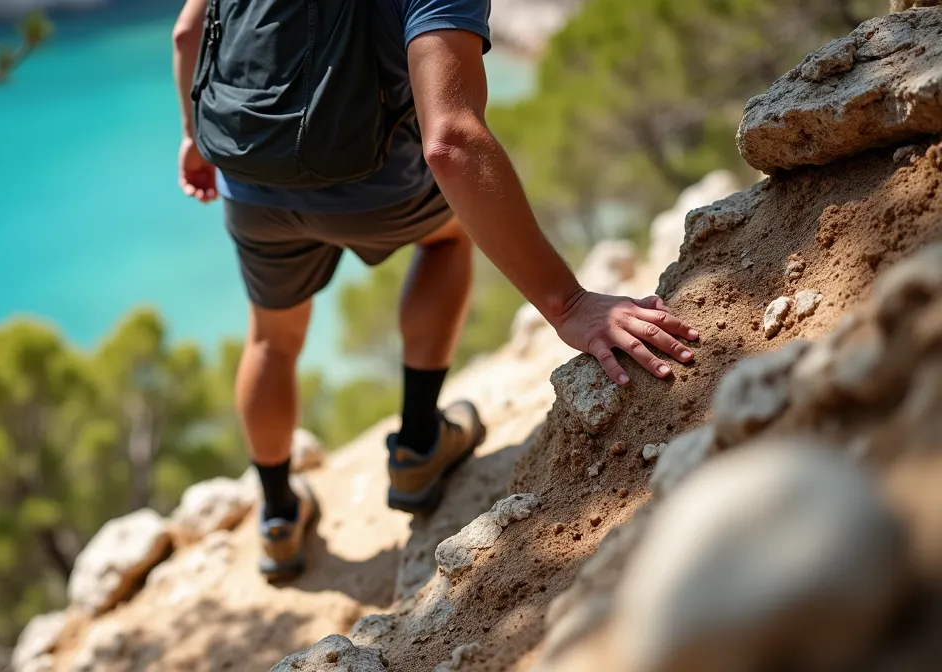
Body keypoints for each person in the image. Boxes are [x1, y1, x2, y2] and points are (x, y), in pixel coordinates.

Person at [170, 0, 699, 582]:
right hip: (383, 192)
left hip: (254, 188)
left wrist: (195, 138)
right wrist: (568, 303)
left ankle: (277, 519)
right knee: (449, 235)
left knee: (271, 338)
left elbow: (188, 32)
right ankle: (419, 447)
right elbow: (449, 142)